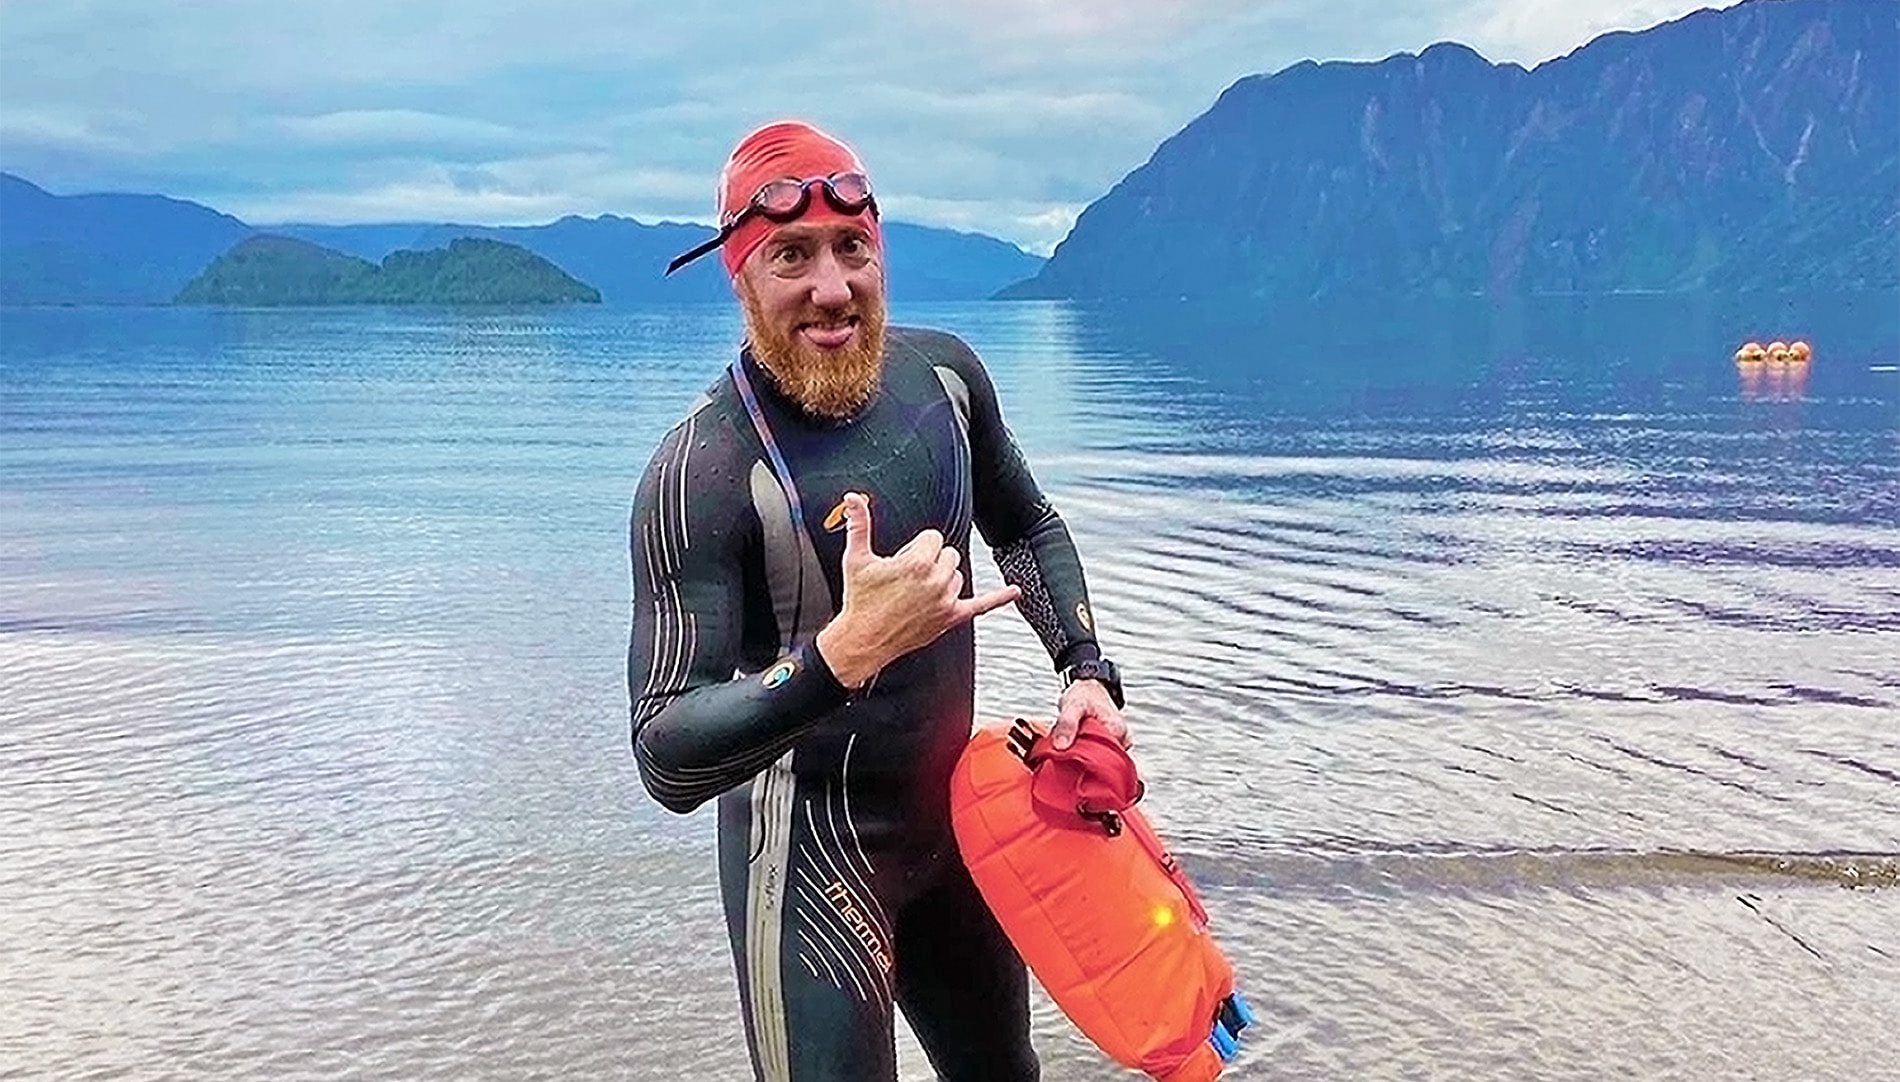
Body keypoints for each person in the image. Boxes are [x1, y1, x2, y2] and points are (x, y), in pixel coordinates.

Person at [626, 119, 1129, 1082]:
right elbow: (665, 754)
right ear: (741, 275)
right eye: (792, 256)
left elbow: (1025, 527)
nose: (832, 287)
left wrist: (1086, 672)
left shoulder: (945, 382)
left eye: (852, 248)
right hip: (806, 870)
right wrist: (842, 655)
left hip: (956, 839)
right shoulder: (702, 472)